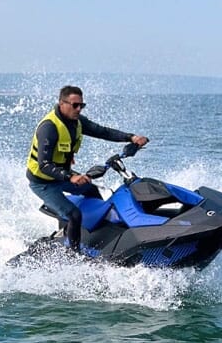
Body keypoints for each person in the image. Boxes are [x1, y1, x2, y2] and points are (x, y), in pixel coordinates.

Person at [26, 85, 148, 254]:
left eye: (81, 105)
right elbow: (44, 165)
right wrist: (70, 177)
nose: (78, 109)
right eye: (74, 105)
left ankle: (87, 232)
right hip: (43, 182)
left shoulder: (77, 122)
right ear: (62, 103)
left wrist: (131, 137)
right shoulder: (49, 127)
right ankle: (74, 254)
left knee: (93, 192)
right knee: (74, 214)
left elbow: (102, 132)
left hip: (62, 176)